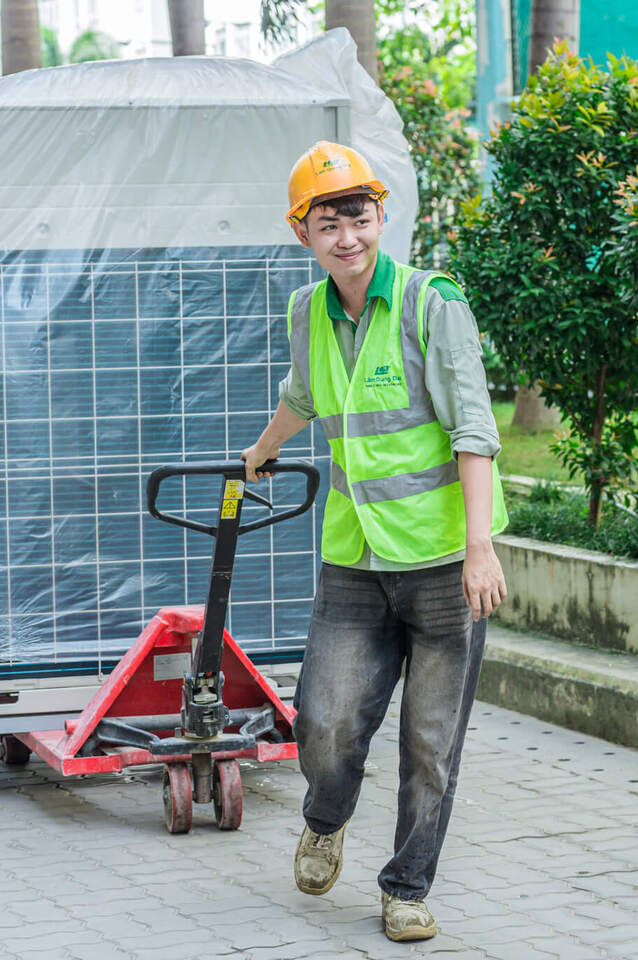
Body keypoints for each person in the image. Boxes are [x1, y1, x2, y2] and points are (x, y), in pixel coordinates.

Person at [241, 141, 508, 943]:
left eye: (358, 218)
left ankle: (406, 888)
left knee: (430, 743)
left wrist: (480, 548)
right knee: (322, 722)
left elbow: (473, 429)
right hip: (355, 560)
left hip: (443, 565)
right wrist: (262, 451)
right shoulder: (306, 313)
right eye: (328, 224)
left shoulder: (433, 304)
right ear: (303, 233)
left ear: (381, 217)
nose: (347, 237)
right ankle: (326, 820)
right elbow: (302, 396)